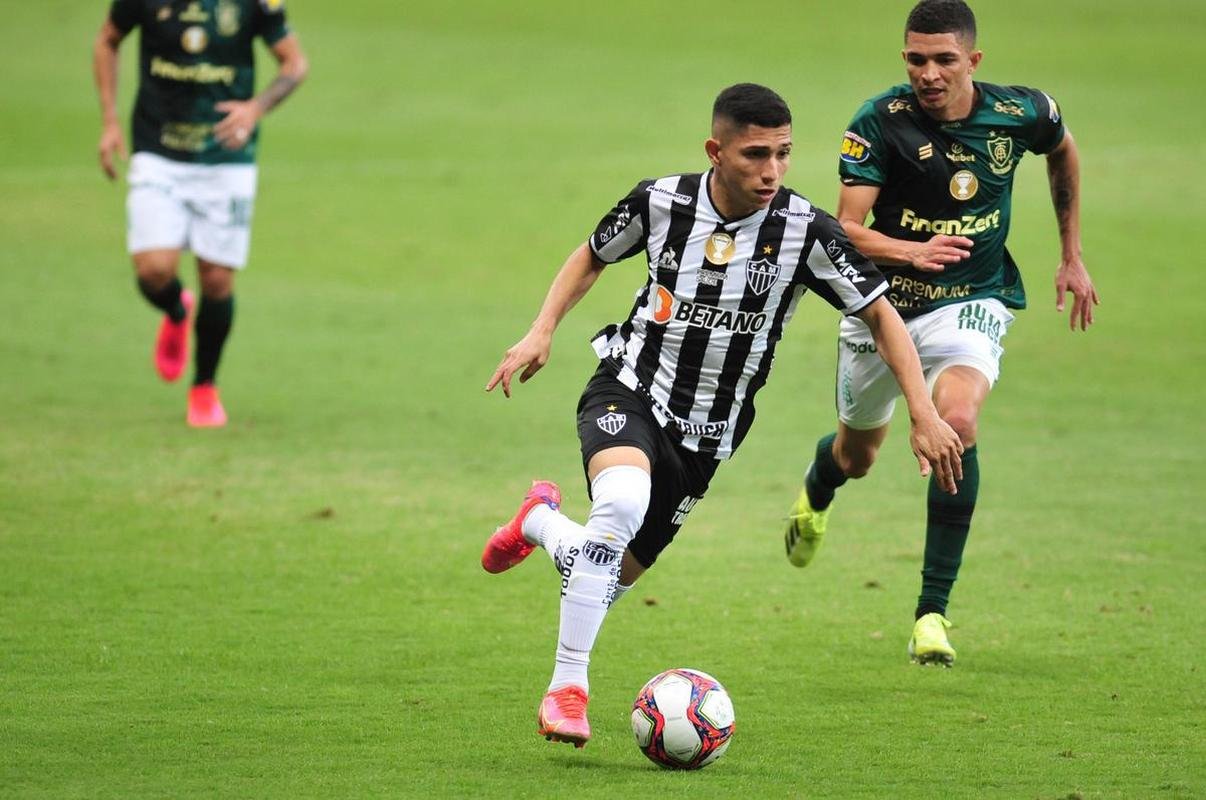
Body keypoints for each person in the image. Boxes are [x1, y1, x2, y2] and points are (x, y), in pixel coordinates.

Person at [481, 83, 965, 748]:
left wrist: (920, 410)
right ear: (716, 151)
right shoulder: (660, 201)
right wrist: (541, 331)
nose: (771, 171)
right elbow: (592, 253)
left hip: (709, 433)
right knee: (619, 505)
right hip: (628, 387)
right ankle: (567, 690)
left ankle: (539, 520)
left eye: (785, 155)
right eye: (755, 155)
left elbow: (880, 314)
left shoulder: (804, 231)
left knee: (605, 578)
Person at [783, 0, 1100, 666]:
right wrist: (909, 252)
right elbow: (843, 228)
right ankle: (817, 489)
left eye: (944, 60)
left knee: (957, 419)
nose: (928, 73)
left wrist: (1070, 254)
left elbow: (1062, 151)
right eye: (916, 59)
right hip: (882, 306)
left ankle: (932, 613)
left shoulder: (1022, 113)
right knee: (857, 458)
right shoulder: (878, 124)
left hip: (972, 298)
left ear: (973, 61)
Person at [93, 0, 308, 426]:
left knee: (217, 277)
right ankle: (175, 309)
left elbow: (294, 64)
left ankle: (204, 387)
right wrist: (110, 120)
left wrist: (255, 108)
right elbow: (107, 40)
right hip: (158, 150)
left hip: (226, 155)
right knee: (153, 271)